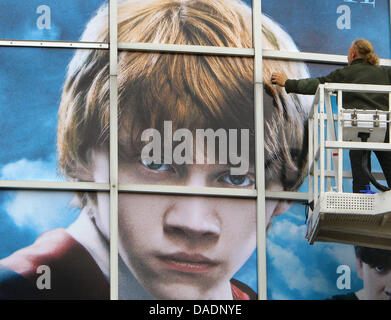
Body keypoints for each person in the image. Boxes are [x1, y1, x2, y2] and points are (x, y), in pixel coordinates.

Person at [0, 0, 312, 300]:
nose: (194, 222)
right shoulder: (20, 288)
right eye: (157, 162)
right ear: (83, 155)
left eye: (236, 178)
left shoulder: (239, 297)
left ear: (282, 194)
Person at [272, 38, 391, 193]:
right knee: (387, 157)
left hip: (356, 124)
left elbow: (317, 84)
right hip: (382, 124)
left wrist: (288, 83)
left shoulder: (344, 74)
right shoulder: (385, 73)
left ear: (353, 54)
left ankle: (363, 190)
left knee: (358, 155)